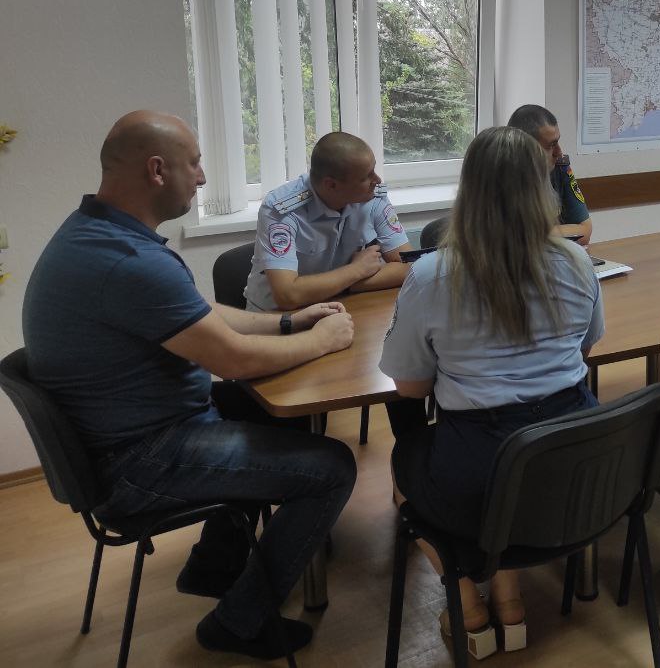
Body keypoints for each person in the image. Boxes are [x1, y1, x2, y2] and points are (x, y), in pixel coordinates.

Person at [22, 111, 357, 661]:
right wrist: (323, 340)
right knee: (332, 468)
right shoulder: (128, 260)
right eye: (195, 163)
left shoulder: (97, 234)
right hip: (138, 460)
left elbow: (201, 314)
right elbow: (234, 360)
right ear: (158, 170)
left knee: (277, 417)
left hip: (127, 434)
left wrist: (290, 322)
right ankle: (237, 624)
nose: (202, 177)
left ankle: (215, 566)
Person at [379, 126, 602, 659]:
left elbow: (410, 386)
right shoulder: (576, 261)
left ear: (468, 190)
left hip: (481, 473)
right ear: (542, 190)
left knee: (404, 470)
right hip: (577, 470)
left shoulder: (432, 275)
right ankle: (510, 600)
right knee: (511, 473)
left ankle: (468, 607)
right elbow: (586, 347)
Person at [244, 131, 411, 313]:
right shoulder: (282, 209)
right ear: (331, 185)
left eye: (374, 170)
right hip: (275, 317)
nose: (377, 180)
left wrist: (346, 283)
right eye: (366, 177)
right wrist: (356, 270)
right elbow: (287, 295)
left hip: (341, 306)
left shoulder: (372, 197)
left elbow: (409, 265)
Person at [507, 104, 592, 243]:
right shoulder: (500, 175)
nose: (559, 152)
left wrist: (533, 235)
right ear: (525, 149)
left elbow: (585, 230)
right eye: (551, 145)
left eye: (557, 142)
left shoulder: (559, 168)